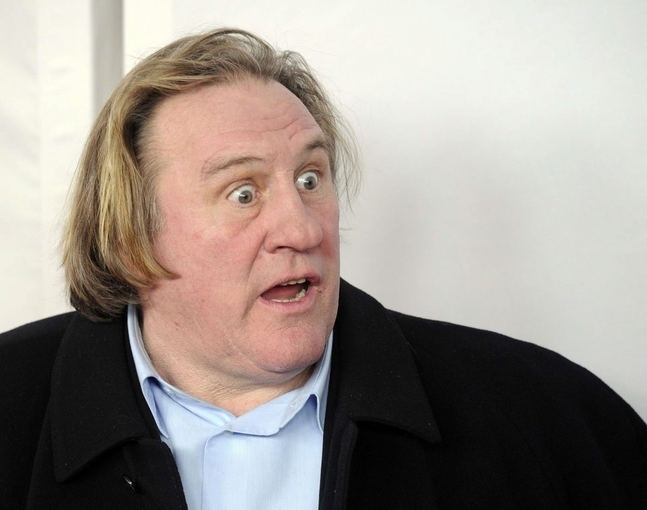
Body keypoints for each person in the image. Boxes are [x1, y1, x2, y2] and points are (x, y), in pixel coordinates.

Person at [0, 27, 645, 510]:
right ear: (127, 235)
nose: (304, 229)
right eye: (243, 193)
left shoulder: (548, 420)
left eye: (311, 178)